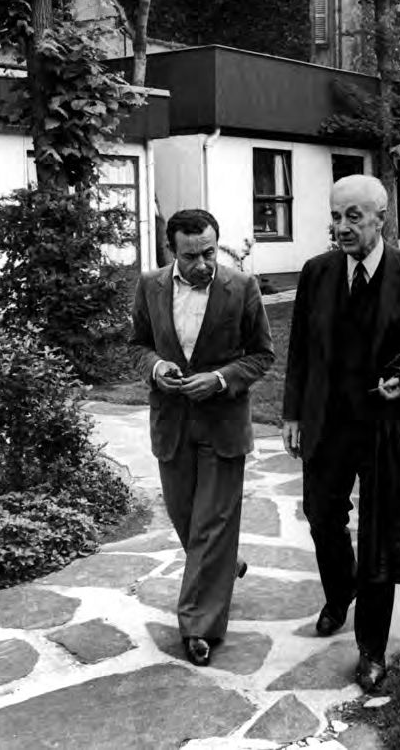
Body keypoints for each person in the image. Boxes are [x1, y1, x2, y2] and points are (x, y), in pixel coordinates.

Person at [282, 174, 400, 693]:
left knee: (380, 537)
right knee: (320, 516)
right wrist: (292, 414)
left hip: (386, 428)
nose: (341, 227)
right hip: (328, 424)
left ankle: (371, 650)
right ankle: (340, 593)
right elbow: (301, 350)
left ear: (381, 219)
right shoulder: (317, 272)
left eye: (353, 216)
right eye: (335, 216)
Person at [130, 208, 275, 667]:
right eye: (191, 255)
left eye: (209, 252)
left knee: (211, 524)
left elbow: (262, 355)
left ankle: (198, 627)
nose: (202, 264)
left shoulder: (242, 287)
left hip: (223, 423)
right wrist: (155, 368)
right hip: (171, 423)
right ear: (171, 250)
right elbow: (137, 345)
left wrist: (219, 379)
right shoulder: (149, 286)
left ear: (218, 244)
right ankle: (222, 565)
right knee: (185, 516)